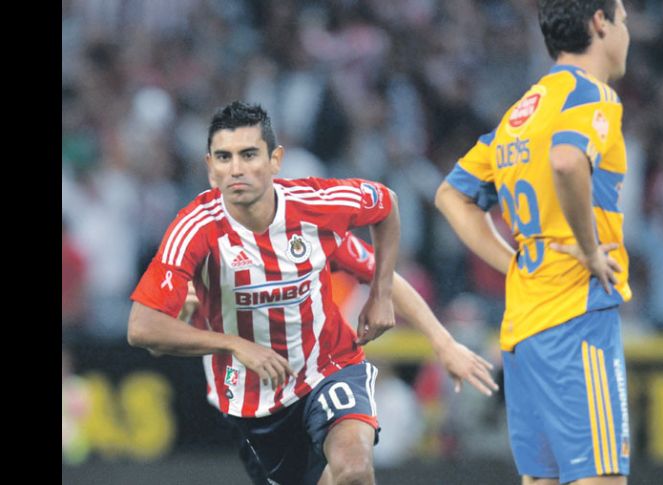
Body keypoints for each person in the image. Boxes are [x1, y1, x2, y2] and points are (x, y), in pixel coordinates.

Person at [128, 101, 496, 485]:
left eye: (249, 154)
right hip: (256, 402)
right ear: (210, 168)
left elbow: (386, 205)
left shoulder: (314, 211)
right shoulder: (194, 230)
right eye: (224, 157)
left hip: (329, 366)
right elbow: (143, 328)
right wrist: (233, 344)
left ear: (275, 160)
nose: (236, 169)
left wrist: (402, 310)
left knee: (354, 468)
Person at [434, 1, 632, 484]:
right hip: (575, 315)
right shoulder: (593, 96)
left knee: (541, 480)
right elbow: (567, 161)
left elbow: (451, 195)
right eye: (624, 19)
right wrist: (588, 249)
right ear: (600, 22)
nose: (628, 31)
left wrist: (516, 265)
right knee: (600, 477)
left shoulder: (521, 114)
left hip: (524, 326)